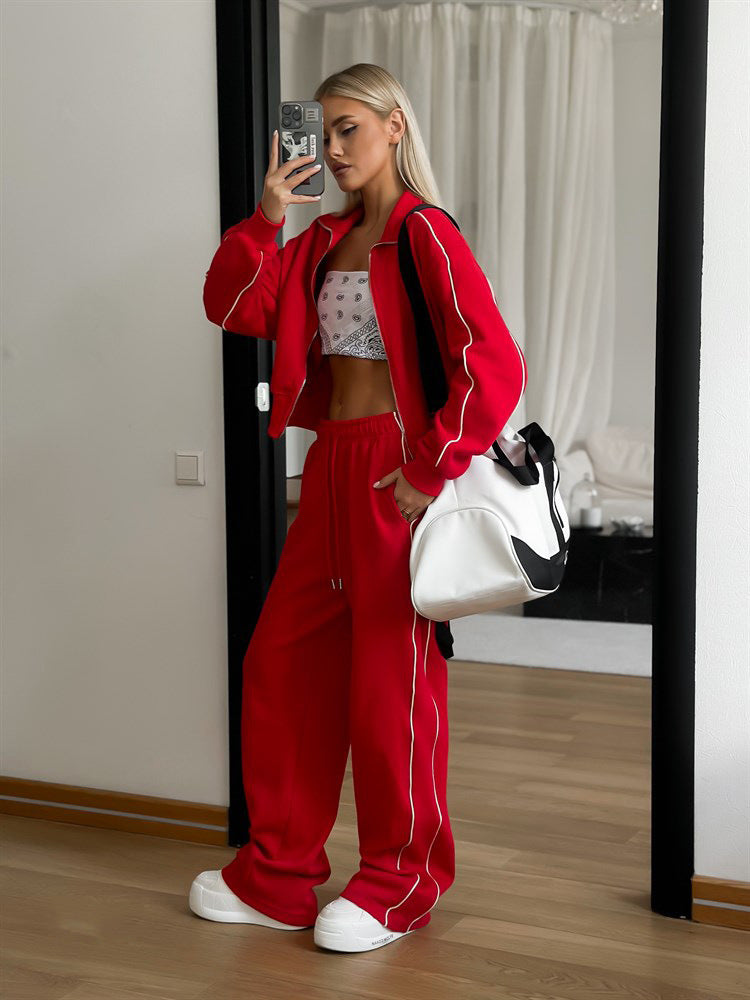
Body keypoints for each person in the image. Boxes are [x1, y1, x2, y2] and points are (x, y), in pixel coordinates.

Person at [190, 63, 527, 953]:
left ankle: (399, 883)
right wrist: (267, 218)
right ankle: (278, 877)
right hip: (329, 466)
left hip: (393, 470)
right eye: (325, 131)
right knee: (284, 666)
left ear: (394, 128)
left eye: (351, 129)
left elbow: (493, 363)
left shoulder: (425, 233)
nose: (335, 148)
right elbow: (231, 306)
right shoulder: (319, 240)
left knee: (390, 683)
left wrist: (430, 467)